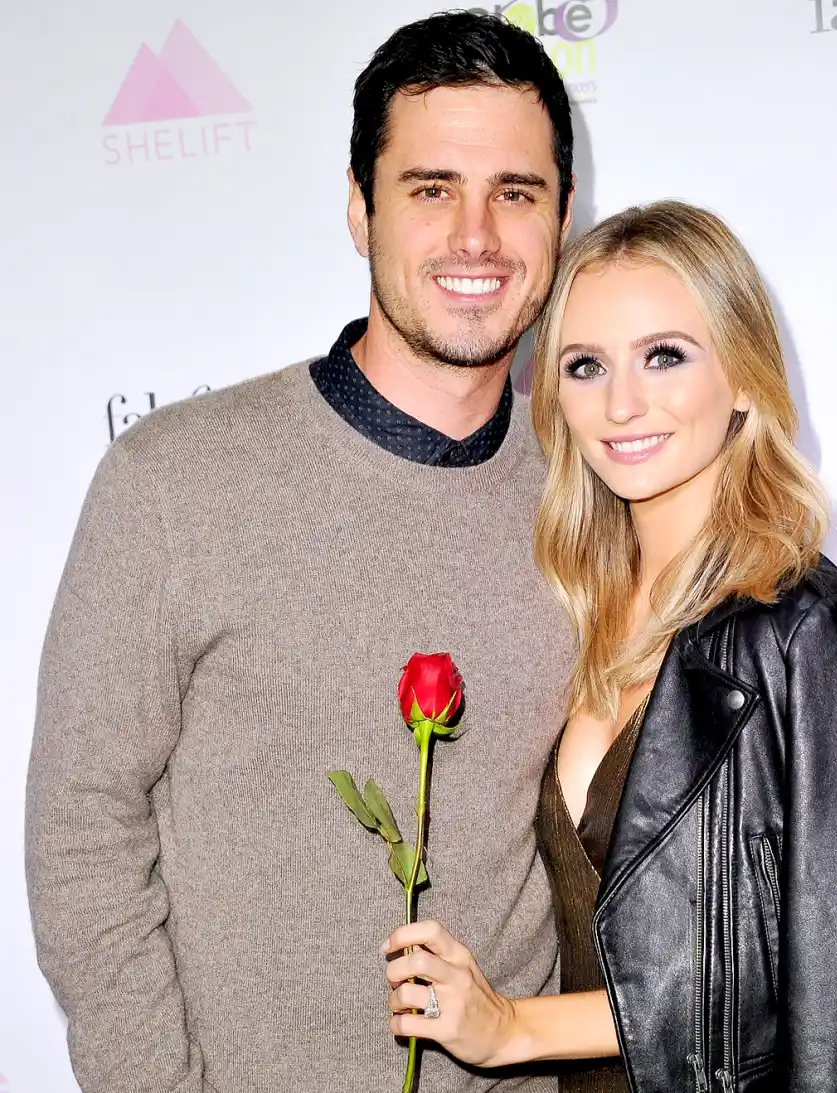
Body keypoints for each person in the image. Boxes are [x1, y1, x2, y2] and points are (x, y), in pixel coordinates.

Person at [25, 13, 577, 1093]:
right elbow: (81, 835)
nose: (476, 235)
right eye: (429, 189)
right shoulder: (174, 482)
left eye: (515, 192)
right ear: (359, 212)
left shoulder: (593, 500)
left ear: (561, 218)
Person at [382, 201, 837, 1092]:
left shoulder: (808, 636)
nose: (622, 403)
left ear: (745, 375)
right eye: (586, 366)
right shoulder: (576, 610)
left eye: (665, 356)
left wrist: (515, 1026)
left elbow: (832, 1004)